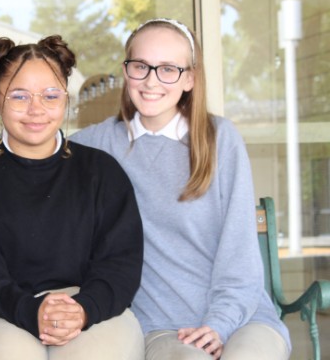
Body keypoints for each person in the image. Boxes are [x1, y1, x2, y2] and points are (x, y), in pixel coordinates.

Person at [70, 18, 291, 360]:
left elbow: (240, 253)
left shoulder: (219, 138)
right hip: (162, 325)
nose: (151, 81)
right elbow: (36, 145)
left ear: (189, 78)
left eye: (168, 69)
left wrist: (219, 323)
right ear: (126, 71)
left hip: (243, 317)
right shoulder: (100, 143)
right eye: (140, 66)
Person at [0, 35, 145, 360]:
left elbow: (120, 265)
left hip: (87, 306)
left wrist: (84, 309)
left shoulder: (100, 172)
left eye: (51, 95)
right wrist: (29, 309)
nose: (36, 109)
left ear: (66, 99)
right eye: (19, 96)